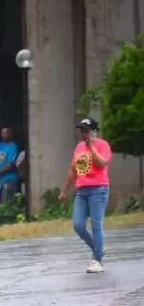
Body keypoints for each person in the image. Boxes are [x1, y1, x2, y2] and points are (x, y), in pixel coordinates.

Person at [59, 117, 112, 273]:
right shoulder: (78, 147)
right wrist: (64, 190)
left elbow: (102, 163)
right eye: (81, 130)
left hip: (98, 189)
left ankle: (98, 260)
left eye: (86, 130)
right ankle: (99, 248)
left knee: (96, 225)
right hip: (81, 190)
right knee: (78, 225)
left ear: (94, 131)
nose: (83, 133)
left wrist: (92, 147)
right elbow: (73, 171)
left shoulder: (103, 145)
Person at [0, 127, 20, 204]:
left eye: (5, 133)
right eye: (2, 133)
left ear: (10, 135)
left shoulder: (13, 146)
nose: (2, 135)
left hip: (8, 179)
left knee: (5, 204)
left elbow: (10, 164)